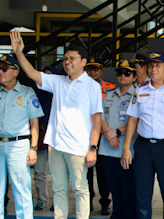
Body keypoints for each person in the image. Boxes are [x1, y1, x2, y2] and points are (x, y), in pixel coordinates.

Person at [11, 30, 103, 219]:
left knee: (80, 189)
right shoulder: (58, 81)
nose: (67, 61)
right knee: (59, 188)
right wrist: (19, 53)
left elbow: (96, 120)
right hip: (56, 145)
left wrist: (92, 148)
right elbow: (32, 74)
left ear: (83, 61)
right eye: (65, 59)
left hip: (78, 147)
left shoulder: (92, 86)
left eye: (72, 58)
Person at [121, 51, 164, 219]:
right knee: (143, 194)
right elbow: (132, 120)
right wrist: (126, 148)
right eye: (150, 66)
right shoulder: (141, 89)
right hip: (144, 147)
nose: (153, 69)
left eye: (157, 65)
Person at [0, 54, 44, 219]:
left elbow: (34, 124)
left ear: (16, 71)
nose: (1, 72)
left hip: (18, 145)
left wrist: (33, 148)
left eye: (5, 68)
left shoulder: (27, 93)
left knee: (21, 187)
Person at [99, 59, 137, 219]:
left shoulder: (137, 96)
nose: (122, 76)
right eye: (120, 73)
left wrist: (116, 132)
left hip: (126, 150)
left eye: (127, 73)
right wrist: (108, 132)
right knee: (114, 188)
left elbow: (136, 122)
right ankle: (117, 215)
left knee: (128, 189)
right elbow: (100, 117)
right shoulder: (109, 95)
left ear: (134, 77)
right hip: (107, 148)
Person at [86, 58, 113, 214]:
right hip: (86, 135)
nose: (92, 72)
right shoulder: (81, 87)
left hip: (103, 136)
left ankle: (105, 202)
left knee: (103, 173)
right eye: (89, 69)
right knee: (86, 172)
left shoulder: (110, 88)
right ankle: (88, 201)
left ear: (102, 71)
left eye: (95, 69)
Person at [34, 65, 62, 211]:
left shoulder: (61, 94)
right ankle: (42, 200)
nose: (47, 78)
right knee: (39, 171)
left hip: (57, 139)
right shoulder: (34, 95)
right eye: (45, 75)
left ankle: (57, 201)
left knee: (58, 173)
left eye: (51, 75)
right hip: (39, 139)